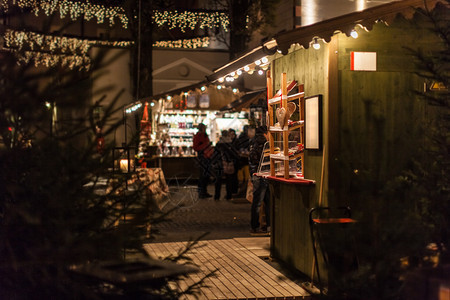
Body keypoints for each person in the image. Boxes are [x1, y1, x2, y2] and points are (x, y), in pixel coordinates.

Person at [248, 125, 270, 235]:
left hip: (256, 174)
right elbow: (265, 160)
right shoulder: (264, 143)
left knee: (260, 201)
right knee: (261, 202)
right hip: (262, 174)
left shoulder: (253, 142)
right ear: (266, 133)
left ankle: (258, 226)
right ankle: (259, 227)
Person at [211, 130, 235, 201]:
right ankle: (228, 196)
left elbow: (215, 155)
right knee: (229, 181)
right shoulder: (230, 143)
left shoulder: (219, 144)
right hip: (228, 164)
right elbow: (233, 154)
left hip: (219, 164)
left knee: (218, 181)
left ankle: (217, 196)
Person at [193, 123, 213, 198]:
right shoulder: (198, 136)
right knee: (203, 175)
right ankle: (202, 192)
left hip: (207, 156)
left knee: (206, 175)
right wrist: (205, 145)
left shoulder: (204, 135)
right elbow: (196, 147)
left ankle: (204, 191)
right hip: (203, 157)